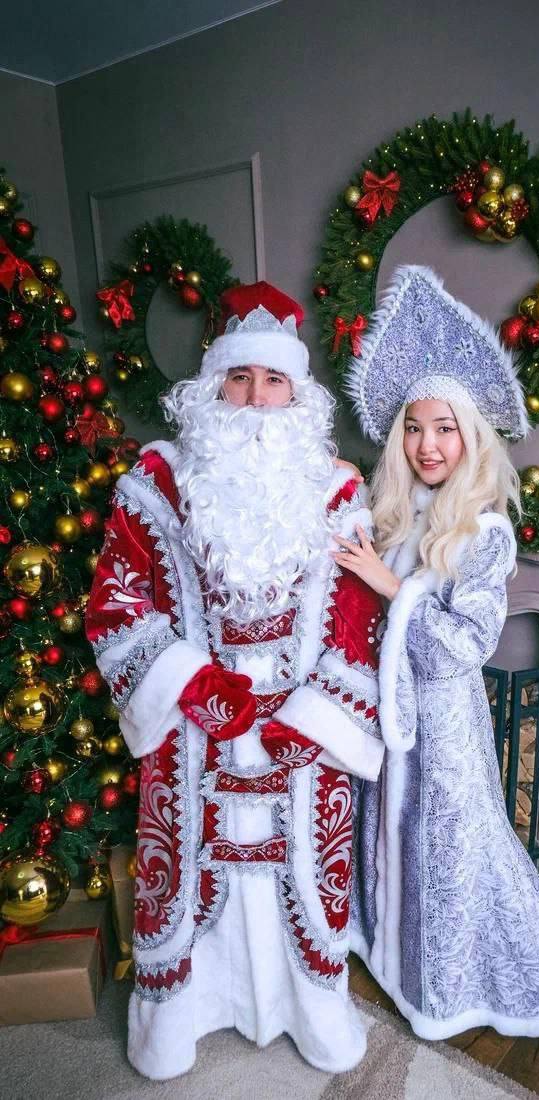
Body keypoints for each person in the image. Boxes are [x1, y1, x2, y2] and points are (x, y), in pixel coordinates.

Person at [85, 281, 385, 1080]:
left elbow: (359, 619)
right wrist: (188, 682)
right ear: (213, 383)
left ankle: (311, 1010)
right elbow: (117, 601)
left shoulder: (336, 491)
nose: (256, 398)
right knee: (187, 868)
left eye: (274, 379)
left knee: (303, 869)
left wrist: (314, 719)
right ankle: (178, 1022)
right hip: (190, 732)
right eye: (240, 378)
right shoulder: (155, 484)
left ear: (298, 391)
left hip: (299, 734)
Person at [336, 265, 539, 1050]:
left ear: (470, 438)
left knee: (470, 859)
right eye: (415, 428)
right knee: (396, 844)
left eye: (445, 429)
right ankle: (410, 970)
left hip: (446, 728)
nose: (428, 445)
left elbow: (462, 646)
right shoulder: (395, 514)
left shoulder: (484, 532)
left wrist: (393, 588)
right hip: (391, 720)